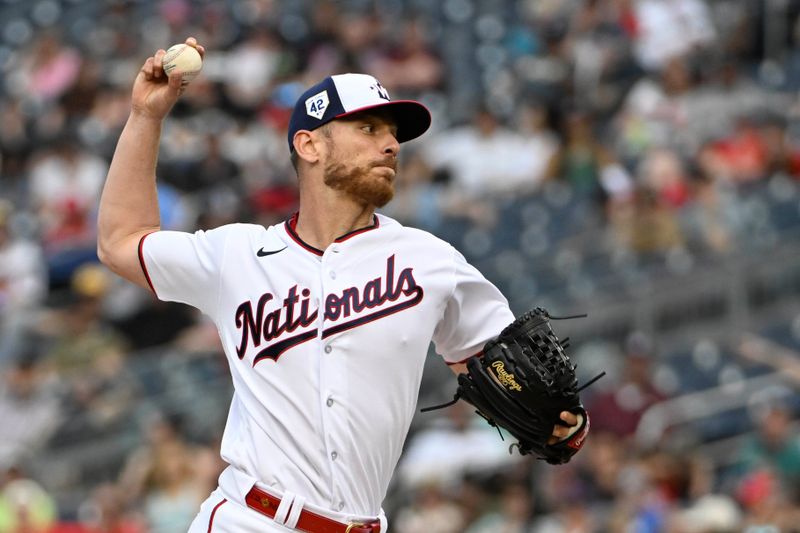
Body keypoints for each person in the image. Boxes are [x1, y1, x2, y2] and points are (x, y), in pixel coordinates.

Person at [97, 37, 582, 533]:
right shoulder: (236, 256)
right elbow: (120, 241)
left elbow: (498, 365)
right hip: (247, 519)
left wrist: (562, 419)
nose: (390, 144)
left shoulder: (431, 261)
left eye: (393, 133)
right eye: (367, 128)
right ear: (309, 144)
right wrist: (145, 117)